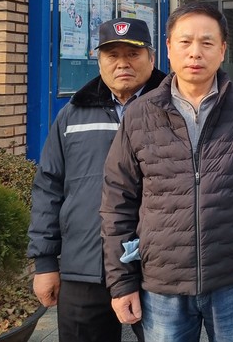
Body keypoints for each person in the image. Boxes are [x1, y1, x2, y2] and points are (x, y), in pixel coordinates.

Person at [100, 2, 233, 342]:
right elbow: (117, 203)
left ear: (223, 49)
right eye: (185, 42)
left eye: (207, 42)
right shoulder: (140, 114)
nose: (195, 52)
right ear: (169, 48)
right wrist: (121, 281)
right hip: (161, 283)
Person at [28, 17, 165, 342]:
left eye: (133, 54)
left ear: (152, 57)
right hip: (86, 265)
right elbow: (49, 186)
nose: (122, 64)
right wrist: (45, 262)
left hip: (158, 267)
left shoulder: (174, 108)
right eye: (112, 55)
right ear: (99, 60)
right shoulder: (73, 114)